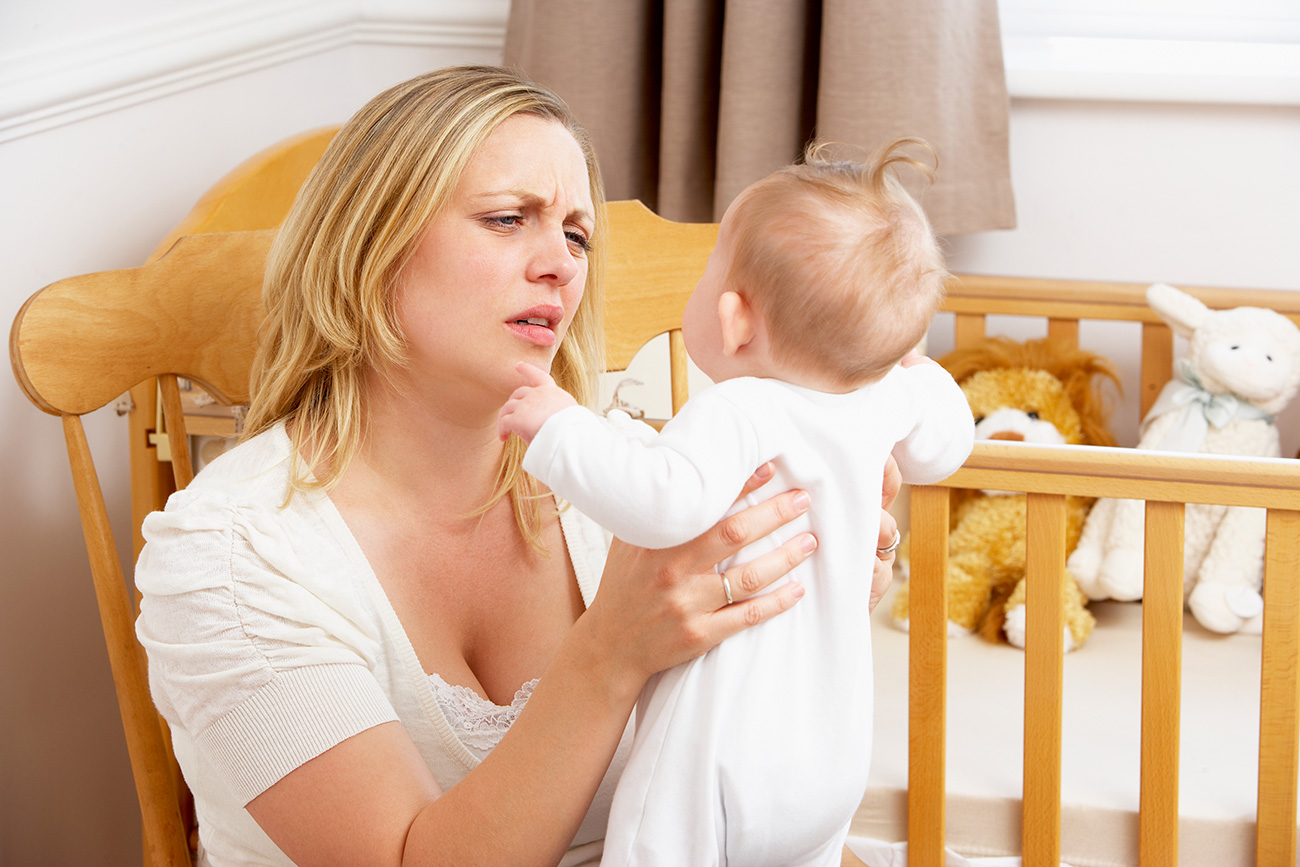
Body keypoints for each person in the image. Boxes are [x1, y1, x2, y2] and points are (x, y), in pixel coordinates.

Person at [132, 65, 900, 867]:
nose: (562, 266)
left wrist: (814, 589)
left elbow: (742, 760)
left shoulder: (623, 479)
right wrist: (611, 647)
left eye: (575, 235)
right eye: (506, 219)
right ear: (370, 246)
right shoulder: (229, 556)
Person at [498, 140, 975, 866]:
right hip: (832, 755)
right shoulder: (886, 397)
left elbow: (663, 501)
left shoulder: (741, 410)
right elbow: (946, 445)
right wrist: (913, 365)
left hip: (726, 754)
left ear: (734, 319)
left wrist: (559, 426)